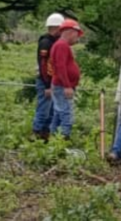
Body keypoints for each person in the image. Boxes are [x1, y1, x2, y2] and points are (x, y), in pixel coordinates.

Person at [48, 17, 83, 139]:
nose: (77, 38)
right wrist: (67, 86)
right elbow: (60, 66)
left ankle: (53, 138)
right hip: (62, 86)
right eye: (77, 35)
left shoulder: (61, 45)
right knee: (66, 114)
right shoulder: (61, 45)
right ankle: (64, 139)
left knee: (58, 113)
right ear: (71, 32)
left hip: (60, 85)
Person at [32, 13, 63, 141]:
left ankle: (46, 132)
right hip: (45, 80)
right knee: (44, 108)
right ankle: (36, 132)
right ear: (56, 28)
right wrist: (47, 85)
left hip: (51, 80)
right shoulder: (46, 42)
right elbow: (43, 64)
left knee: (50, 110)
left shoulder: (54, 42)